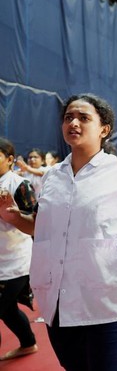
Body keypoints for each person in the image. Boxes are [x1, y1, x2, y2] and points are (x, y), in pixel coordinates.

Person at [0, 94, 117, 371]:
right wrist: (10, 215)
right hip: (59, 306)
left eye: (84, 118)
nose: (74, 122)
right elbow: (39, 225)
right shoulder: (51, 177)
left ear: (104, 129)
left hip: (109, 304)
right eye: (68, 117)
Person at [0, 138, 38, 361]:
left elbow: (34, 220)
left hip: (15, 260)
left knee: (4, 308)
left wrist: (12, 215)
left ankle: (28, 343)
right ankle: (28, 343)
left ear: (10, 159)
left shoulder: (19, 184)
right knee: (8, 310)